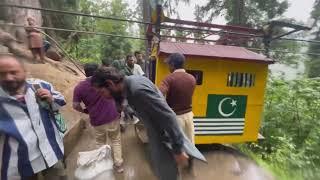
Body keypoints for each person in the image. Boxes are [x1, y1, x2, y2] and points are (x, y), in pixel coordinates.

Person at [91, 67, 205, 180]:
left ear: (110, 83)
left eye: (101, 92)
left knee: (168, 174)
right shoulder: (131, 83)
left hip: (166, 138)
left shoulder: (138, 90)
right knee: (163, 171)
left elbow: (168, 116)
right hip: (157, 136)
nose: (103, 97)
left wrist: (178, 150)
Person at [0, 54, 66, 180]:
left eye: (13, 72)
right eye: (2, 74)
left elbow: (61, 101)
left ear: (24, 72)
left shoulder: (40, 86)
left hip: (51, 150)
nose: (8, 77)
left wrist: (52, 99)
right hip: (19, 163)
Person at [72, 63, 124, 173]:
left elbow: (75, 105)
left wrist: (86, 111)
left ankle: (105, 167)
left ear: (85, 72)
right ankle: (119, 165)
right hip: (112, 115)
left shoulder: (79, 87)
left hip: (96, 120)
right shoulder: (105, 82)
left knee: (101, 144)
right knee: (116, 140)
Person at [159, 53, 196, 144]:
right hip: (189, 116)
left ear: (172, 65)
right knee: (190, 144)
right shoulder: (192, 78)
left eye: (168, 64)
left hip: (176, 118)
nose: (168, 67)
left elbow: (159, 94)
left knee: (176, 146)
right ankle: (190, 158)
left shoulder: (169, 79)